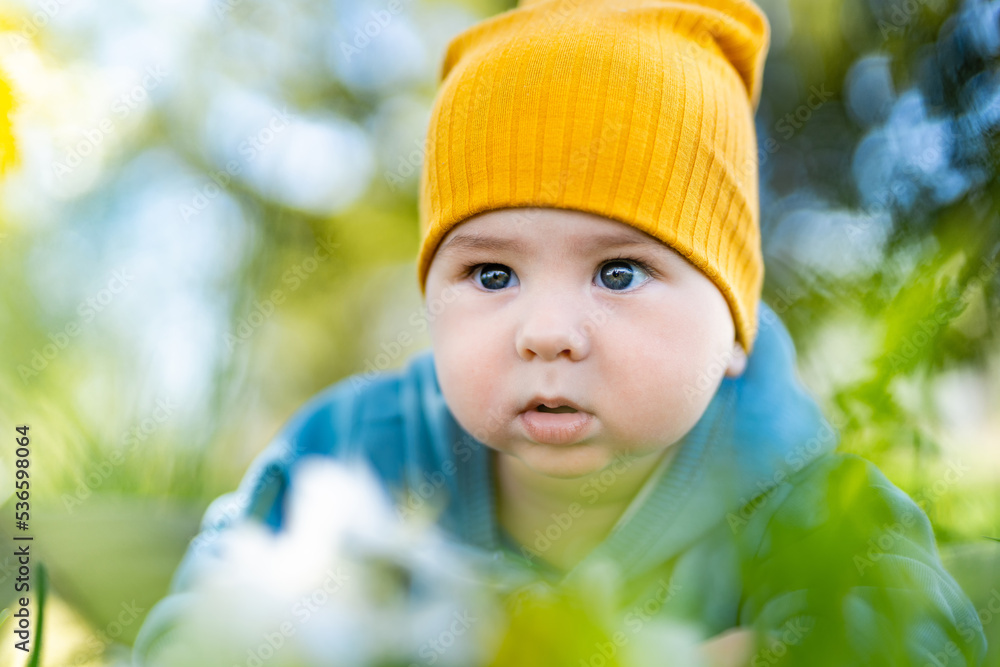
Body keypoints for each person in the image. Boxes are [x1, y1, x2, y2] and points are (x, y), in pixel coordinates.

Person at [133, 0, 988, 664]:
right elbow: (196, 631)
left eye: (619, 272)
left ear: (732, 324)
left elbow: (917, 637)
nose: (546, 333)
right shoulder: (353, 454)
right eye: (492, 274)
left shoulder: (795, 499)